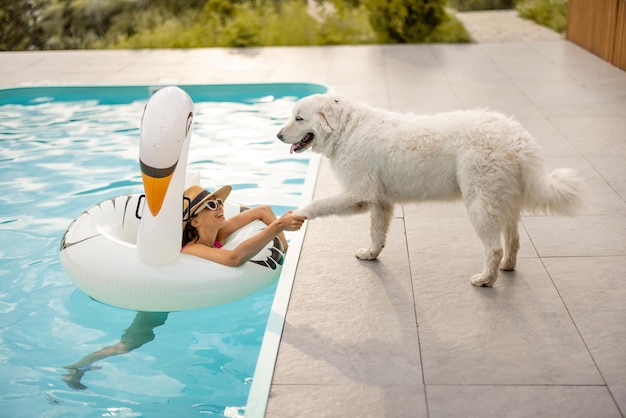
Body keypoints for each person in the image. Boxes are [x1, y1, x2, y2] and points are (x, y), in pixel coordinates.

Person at [181, 185, 306, 266]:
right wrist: (278, 225)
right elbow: (234, 259)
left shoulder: (219, 234)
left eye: (218, 202)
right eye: (211, 205)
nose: (219, 206)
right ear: (194, 221)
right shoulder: (192, 248)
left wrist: (285, 248)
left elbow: (264, 210)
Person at [62, 311, 169, 390]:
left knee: (131, 343)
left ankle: (78, 367)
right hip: (153, 310)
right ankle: (78, 367)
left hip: (157, 310)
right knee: (124, 347)